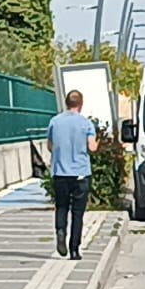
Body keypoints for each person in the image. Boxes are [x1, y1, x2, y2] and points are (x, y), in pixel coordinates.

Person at [47, 90, 98, 261]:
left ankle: (60, 231)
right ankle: (74, 250)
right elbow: (92, 148)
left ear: (66, 103)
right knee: (78, 213)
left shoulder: (55, 122)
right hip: (80, 173)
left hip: (60, 172)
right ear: (81, 104)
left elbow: (50, 146)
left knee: (61, 207)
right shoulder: (86, 124)